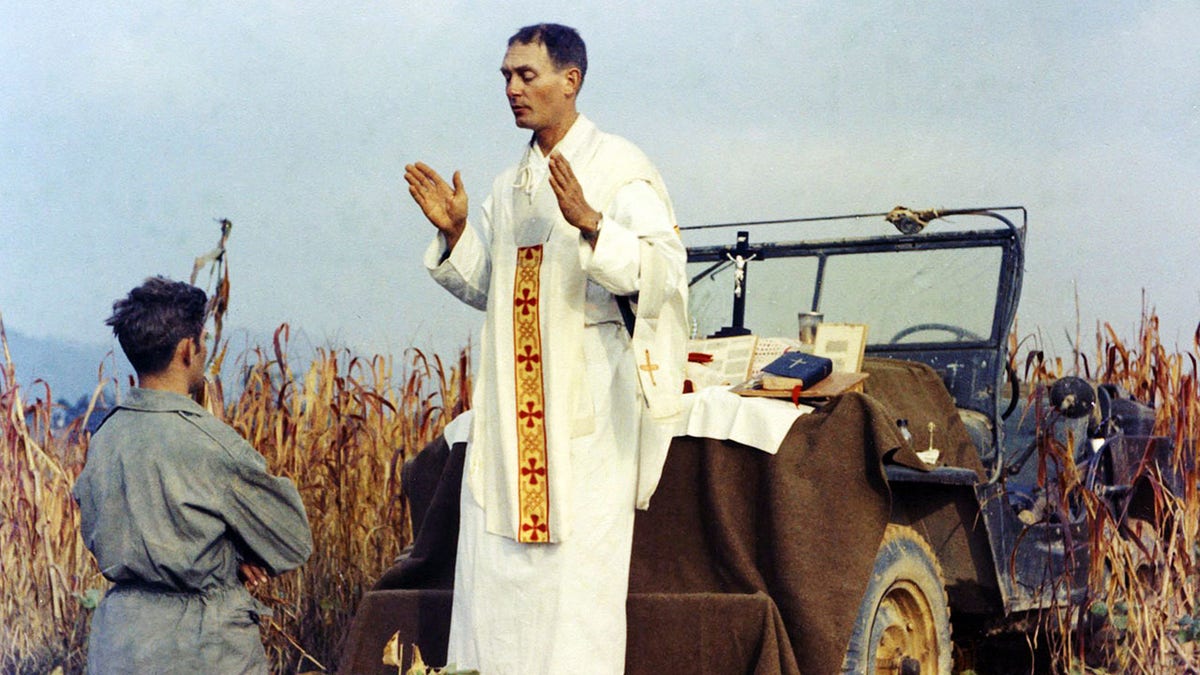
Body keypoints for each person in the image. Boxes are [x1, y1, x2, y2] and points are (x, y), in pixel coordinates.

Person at [404, 22, 688, 674]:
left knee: (573, 607)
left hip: (584, 426)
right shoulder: (510, 187)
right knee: (495, 596)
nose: (511, 88)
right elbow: (494, 289)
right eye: (505, 75)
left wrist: (594, 225)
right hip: (510, 428)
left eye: (525, 75)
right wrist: (455, 236)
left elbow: (664, 275)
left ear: (571, 80)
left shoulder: (621, 170)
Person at [73, 276, 313, 674]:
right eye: (203, 340)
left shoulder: (105, 437)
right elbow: (292, 540)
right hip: (204, 649)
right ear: (188, 349)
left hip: (118, 645)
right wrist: (232, 555)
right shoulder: (209, 443)